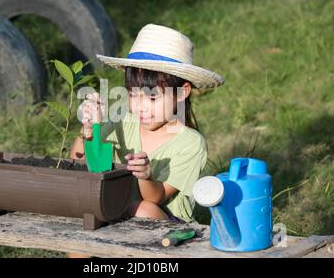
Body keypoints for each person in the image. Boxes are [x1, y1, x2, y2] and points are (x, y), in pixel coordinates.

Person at [68, 24, 224, 256]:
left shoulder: (190, 143)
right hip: (115, 210)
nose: (140, 106)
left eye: (152, 97)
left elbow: (155, 198)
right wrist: (88, 132)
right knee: (85, 217)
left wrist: (146, 175)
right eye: (132, 94)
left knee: (142, 208)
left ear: (182, 92)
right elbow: (77, 162)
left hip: (167, 229)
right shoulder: (123, 122)